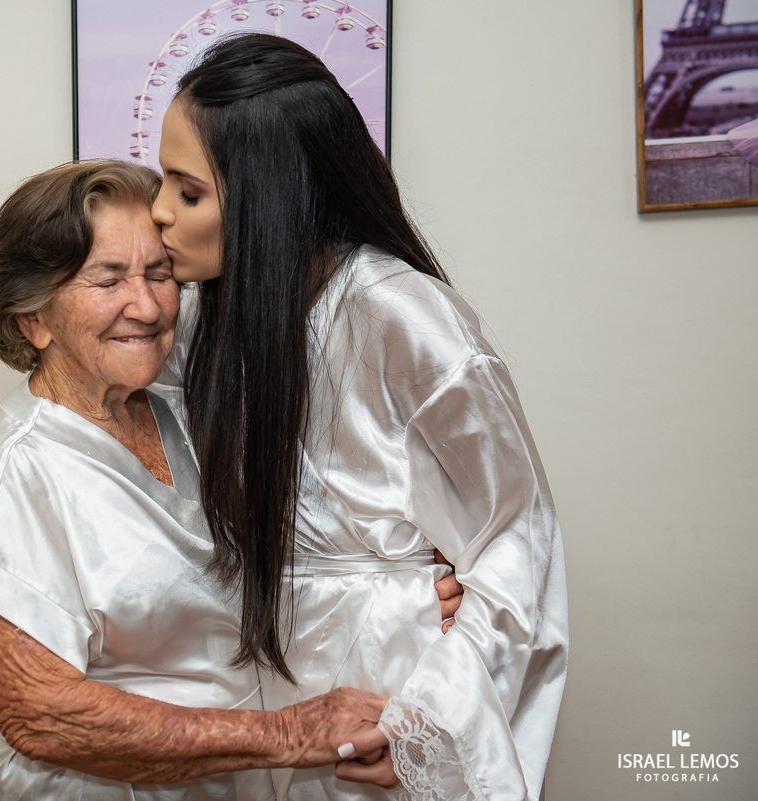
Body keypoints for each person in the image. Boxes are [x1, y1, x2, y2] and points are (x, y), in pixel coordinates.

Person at [0, 160, 443, 800]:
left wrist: (396, 600)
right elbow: (42, 715)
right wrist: (285, 735)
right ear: (33, 318)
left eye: (159, 274)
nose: (144, 305)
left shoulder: (185, 417)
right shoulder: (14, 466)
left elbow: (223, 599)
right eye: (108, 279)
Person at [150, 33, 568, 801]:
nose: (159, 213)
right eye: (161, 183)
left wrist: (423, 724)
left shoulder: (403, 318)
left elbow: (516, 535)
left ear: (266, 192)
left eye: (188, 191)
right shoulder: (208, 319)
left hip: (386, 677)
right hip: (254, 678)